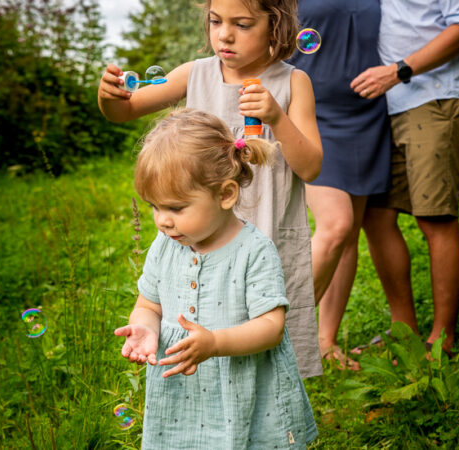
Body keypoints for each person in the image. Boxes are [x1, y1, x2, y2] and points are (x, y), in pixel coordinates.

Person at [98, 0, 323, 378]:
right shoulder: (196, 74)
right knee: (205, 329)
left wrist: (276, 118)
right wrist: (109, 97)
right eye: (216, 21)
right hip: (201, 238)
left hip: (266, 234)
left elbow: (312, 167)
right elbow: (124, 110)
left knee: (263, 334)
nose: (224, 34)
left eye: (243, 24)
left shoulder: (292, 82)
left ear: (276, 26)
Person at [114, 108, 317, 448]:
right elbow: (148, 304)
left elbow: (271, 326)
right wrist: (146, 327)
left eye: (176, 208)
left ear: (225, 194)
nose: (162, 221)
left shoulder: (253, 251)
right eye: (154, 207)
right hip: (182, 389)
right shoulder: (164, 247)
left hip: (243, 386)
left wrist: (216, 344)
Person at [350, 0, 459, 354]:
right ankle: (403, 330)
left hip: (438, 97)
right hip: (390, 106)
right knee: (376, 217)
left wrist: (398, 71)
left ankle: (442, 341)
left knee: (434, 217)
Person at [289, 1, 391, 370]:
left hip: (367, 114)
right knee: (336, 226)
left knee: (348, 238)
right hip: (311, 114)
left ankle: (324, 340)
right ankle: (278, 333)